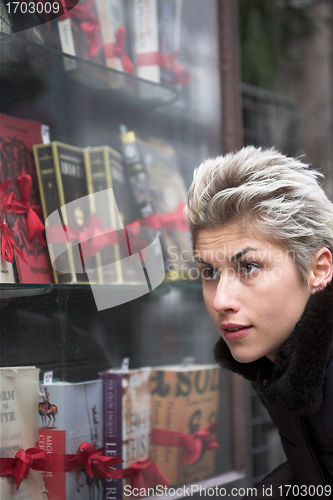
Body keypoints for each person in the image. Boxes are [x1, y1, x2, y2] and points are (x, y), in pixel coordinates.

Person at [185, 146, 333, 499]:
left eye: (248, 267)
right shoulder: (280, 358)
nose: (221, 301)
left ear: (318, 270)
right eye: (209, 272)